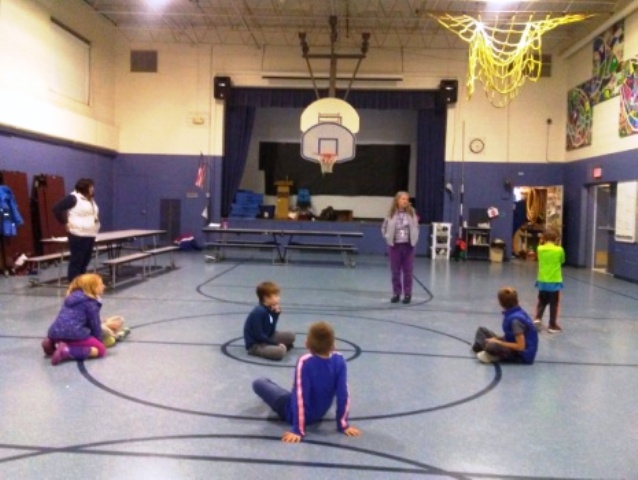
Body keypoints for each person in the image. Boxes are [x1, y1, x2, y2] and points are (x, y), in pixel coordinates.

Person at [252, 321, 361, 443]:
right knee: (287, 393)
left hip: (292, 413)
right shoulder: (339, 360)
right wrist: (343, 424)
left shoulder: (305, 361)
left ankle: (275, 391)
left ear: (307, 344)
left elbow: (300, 397)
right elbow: (343, 394)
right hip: (321, 412)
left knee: (259, 382)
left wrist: (298, 429)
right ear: (333, 345)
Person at [42, 273, 107, 366]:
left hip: (54, 332)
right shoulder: (91, 303)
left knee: (67, 335)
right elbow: (94, 324)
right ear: (92, 287)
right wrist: (99, 341)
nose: (104, 286)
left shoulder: (72, 297)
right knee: (100, 350)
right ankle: (68, 351)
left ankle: (51, 342)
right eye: (100, 284)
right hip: (75, 333)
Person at [472, 286, 539, 364]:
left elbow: (521, 346)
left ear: (501, 303)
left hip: (521, 355)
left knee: (492, 345)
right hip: (512, 342)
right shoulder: (516, 312)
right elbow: (511, 335)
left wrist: (498, 342)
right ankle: (486, 350)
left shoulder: (515, 321)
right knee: (482, 330)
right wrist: (497, 338)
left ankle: (489, 352)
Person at [53, 178, 100, 282]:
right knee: (77, 261)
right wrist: (64, 223)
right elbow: (56, 208)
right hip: (77, 234)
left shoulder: (90, 199)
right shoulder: (73, 198)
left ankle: (81, 284)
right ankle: (74, 285)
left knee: (85, 261)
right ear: (84, 188)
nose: (93, 189)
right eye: (90, 187)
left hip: (90, 234)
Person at [381, 191, 419, 304]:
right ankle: (396, 293)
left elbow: (416, 227)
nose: (405, 201)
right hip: (395, 246)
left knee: (408, 271)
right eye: (402, 199)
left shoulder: (412, 213)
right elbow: (384, 227)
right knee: (395, 272)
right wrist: (387, 236)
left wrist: (415, 238)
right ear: (397, 200)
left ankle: (407, 294)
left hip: (408, 246)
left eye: (406, 199)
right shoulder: (391, 214)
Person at [243, 281, 295, 361]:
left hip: (267, 337)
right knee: (279, 352)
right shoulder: (259, 312)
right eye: (276, 295)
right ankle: (258, 351)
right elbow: (259, 335)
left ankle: (273, 346)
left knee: (291, 335)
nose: (279, 298)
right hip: (256, 344)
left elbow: (271, 329)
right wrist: (276, 344)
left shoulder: (269, 309)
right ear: (266, 297)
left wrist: (275, 315)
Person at [534, 229, 565, 333]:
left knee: (541, 301)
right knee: (554, 304)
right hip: (554, 281)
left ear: (543, 239)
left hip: (542, 280)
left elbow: (538, 258)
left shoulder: (540, 249)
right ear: (556, 239)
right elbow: (562, 261)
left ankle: (538, 318)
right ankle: (552, 325)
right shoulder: (559, 250)